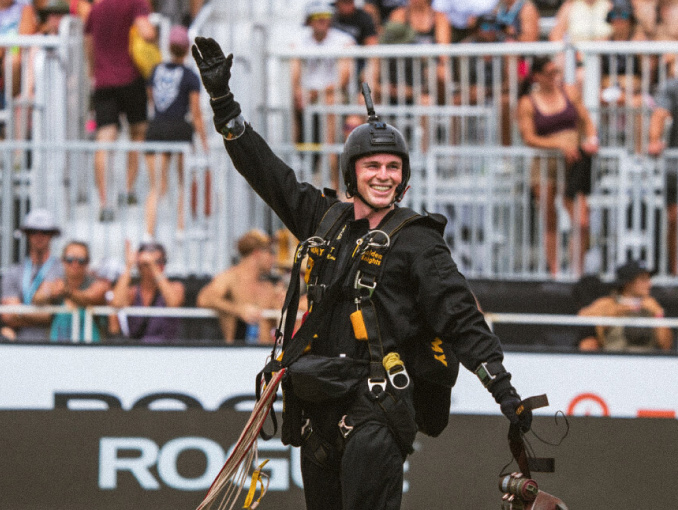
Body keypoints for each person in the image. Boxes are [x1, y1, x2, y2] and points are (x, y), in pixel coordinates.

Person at [192, 36, 533, 510]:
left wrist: (503, 389)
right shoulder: (324, 218)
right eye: (373, 165)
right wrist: (224, 103)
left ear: (405, 177)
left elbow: (460, 317)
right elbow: (269, 175)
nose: (384, 174)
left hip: (375, 408)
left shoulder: (418, 241)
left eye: (394, 166)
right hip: (317, 406)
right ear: (352, 173)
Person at [517, 56, 599, 276]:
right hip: (546, 164)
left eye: (557, 72)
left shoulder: (569, 92)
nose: (556, 77)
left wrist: (591, 138)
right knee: (550, 218)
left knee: (581, 220)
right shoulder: (527, 102)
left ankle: (577, 271)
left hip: (573, 162)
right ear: (538, 76)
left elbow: (586, 120)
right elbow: (529, 138)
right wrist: (558, 144)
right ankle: (554, 271)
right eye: (551, 73)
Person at [84, 0, 156, 222]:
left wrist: (93, 71)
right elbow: (146, 31)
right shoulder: (135, 3)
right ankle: (128, 190)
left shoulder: (95, 9)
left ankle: (105, 203)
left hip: (103, 81)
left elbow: (88, 44)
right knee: (138, 134)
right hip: (131, 77)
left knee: (104, 140)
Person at [143, 24, 208, 241]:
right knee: (182, 182)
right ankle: (180, 229)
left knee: (156, 187)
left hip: (156, 128)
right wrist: (204, 141)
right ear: (187, 48)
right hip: (179, 129)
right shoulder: (190, 76)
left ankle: (148, 233)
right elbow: (195, 112)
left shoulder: (156, 70)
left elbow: (152, 99)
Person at [196, 229, 286, 345]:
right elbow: (204, 299)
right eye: (270, 252)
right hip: (237, 356)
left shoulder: (268, 287)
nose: (273, 258)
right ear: (257, 253)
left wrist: (284, 304)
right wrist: (238, 310)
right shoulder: (230, 278)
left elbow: (279, 324)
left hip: (266, 356)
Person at [577, 259, 673, 351]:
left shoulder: (652, 305)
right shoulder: (607, 303)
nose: (649, 284)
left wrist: (658, 314)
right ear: (628, 283)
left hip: (646, 359)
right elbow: (582, 317)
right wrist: (618, 311)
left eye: (649, 279)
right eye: (643, 279)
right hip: (614, 359)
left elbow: (666, 346)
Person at [0, 208, 64, 341]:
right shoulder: (13, 272)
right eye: (33, 231)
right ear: (27, 234)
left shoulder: (63, 269)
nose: (39, 236)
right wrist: (46, 316)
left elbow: (54, 316)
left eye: (45, 232)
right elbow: (7, 316)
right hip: (21, 344)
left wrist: (19, 312)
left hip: (56, 344)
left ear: (52, 235)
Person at [32, 240, 111, 342]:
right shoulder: (55, 283)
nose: (75, 264)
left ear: (88, 262)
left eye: (81, 260)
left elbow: (89, 298)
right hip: (58, 348)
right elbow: (36, 298)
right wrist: (49, 293)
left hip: (91, 350)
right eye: (70, 259)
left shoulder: (98, 284)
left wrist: (66, 292)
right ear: (63, 261)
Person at [109, 240, 185, 343]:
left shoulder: (175, 287)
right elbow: (116, 303)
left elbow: (173, 302)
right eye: (147, 264)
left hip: (167, 351)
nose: (158, 266)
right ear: (140, 266)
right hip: (138, 352)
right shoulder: (133, 292)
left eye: (161, 262)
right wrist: (129, 266)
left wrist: (153, 267)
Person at [647, 76, 678, 273]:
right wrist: (654, 140)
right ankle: (675, 271)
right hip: (675, 163)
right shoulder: (673, 86)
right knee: (674, 217)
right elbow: (659, 114)